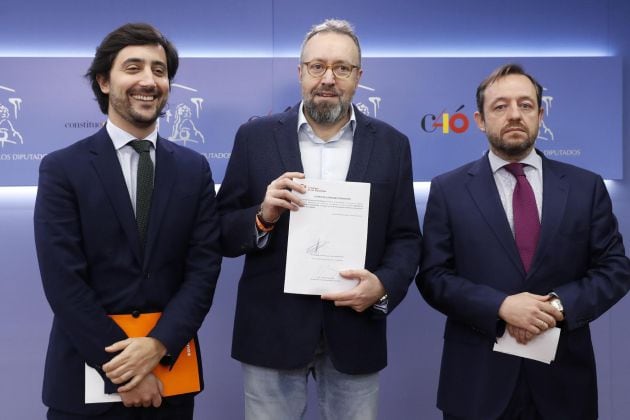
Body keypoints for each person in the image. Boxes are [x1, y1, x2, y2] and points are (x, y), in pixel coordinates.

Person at [217, 18, 421, 420]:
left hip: (355, 330)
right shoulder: (254, 138)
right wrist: (261, 216)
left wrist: (382, 287)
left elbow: (406, 238)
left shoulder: (393, 145)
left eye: (342, 68)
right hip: (270, 332)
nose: (328, 78)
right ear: (300, 72)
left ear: (359, 77)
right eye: (317, 66)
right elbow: (220, 230)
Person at [417, 63, 630, 420]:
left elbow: (615, 269)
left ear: (540, 114)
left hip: (563, 383)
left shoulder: (586, 187)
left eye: (525, 105)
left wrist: (557, 307)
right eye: (500, 106)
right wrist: (500, 306)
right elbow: (434, 276)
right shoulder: (448, 190)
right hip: (477, 383)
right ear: (480, 120)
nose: (514, 114)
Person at [34, 23, 221, 419]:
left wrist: (157, 346)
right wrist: (126, 373)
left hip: (169, 380)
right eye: (133, 68)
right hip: (84, 382)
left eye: (159, 70)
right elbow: (64, 283)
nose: (148, 81)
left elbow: (203, 272)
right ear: (104, 81)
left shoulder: (194, 169)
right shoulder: (62, 169)